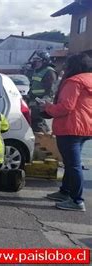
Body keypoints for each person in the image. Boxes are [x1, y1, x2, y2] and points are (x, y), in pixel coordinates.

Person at [43, 53, 92, 212]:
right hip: (85, 127)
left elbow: (65, 107)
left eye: (67, 64)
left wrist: (48, 107)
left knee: (73, 165)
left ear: (73, 66)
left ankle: (77, 200)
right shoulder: (88, 79)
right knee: (71, 162)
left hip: (71, 127)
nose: (64, 67)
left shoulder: (74, 81)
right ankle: (65, 192)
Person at [27, 51, 57, 133]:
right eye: (34, 60)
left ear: (44, 61)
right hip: (35, 99)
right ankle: (43, 136)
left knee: (37, 121)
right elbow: (33, 85)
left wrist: (44, 102)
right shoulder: (37, 71)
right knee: (34, 119)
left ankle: (43, 139)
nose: (35, 62)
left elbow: (51, 89)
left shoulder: (49, 72)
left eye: (37, 60)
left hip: (41, 100)